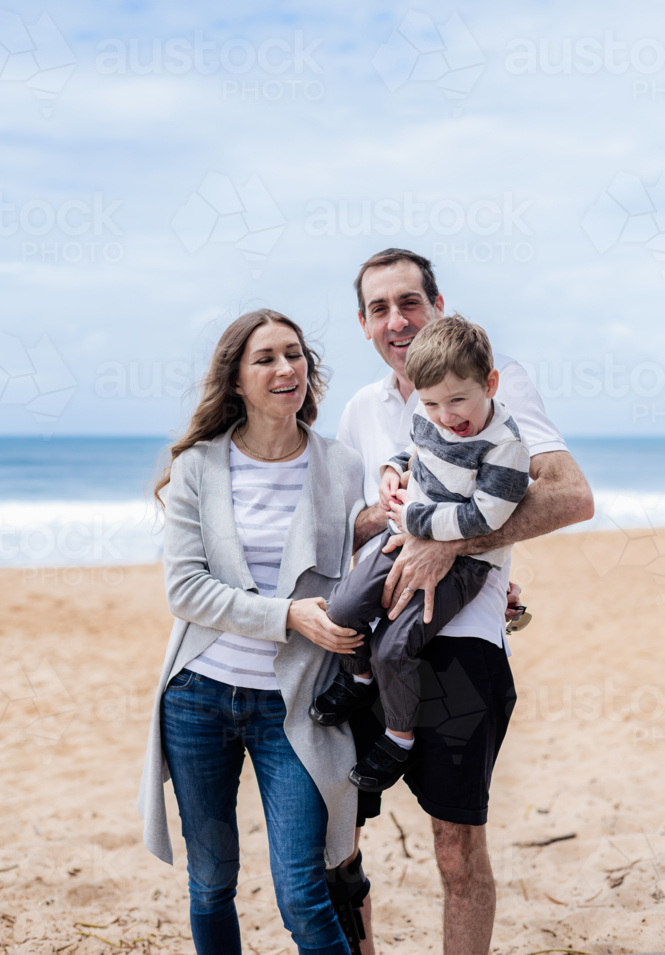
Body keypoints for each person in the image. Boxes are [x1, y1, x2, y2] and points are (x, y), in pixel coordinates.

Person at [337, 249, 594, 955]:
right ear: (362, 324)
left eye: (410, 302)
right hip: (372, 639)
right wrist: (383, 510)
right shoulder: (361, 410)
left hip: (462, 646)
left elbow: (569, 495)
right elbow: (344, 525)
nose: (397, 320)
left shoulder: (493, 383)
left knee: (455, 850)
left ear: (437, 304)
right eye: (380, 308)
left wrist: (451, 543)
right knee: (336, 836)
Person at [137, 308, 371, 955]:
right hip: (198, 699)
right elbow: (185, 592)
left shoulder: (343, 466)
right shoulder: (198, 468)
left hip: (293, 706)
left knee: (302, 892)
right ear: (236, 380)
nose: (284, 369)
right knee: (211, 882)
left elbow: (362, 567)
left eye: (293, 355)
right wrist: (287, 617)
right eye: (264, 358)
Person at [311, 316, 530, 795]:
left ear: (490, 383)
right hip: (407, 531)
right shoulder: (426, 414)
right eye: (431, 403)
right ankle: (360, 677)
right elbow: (414, 449)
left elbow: (487, 518)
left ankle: (398, 737)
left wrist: (415, 521)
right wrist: (393, 469)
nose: (445, 416)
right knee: (344, 610)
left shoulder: (506, 446)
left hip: (463, 561)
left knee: (395, 646)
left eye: (457, 401)